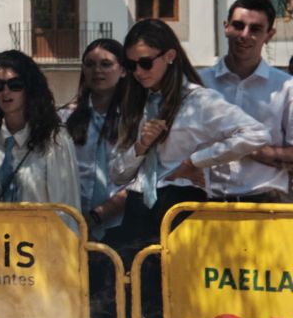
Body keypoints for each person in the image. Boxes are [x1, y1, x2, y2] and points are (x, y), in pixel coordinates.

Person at [108, 18, 266, 258]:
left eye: (145, 63)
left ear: (170, 55)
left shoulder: (199, 100)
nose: (138, 72)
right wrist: (140, 146)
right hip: (138, 203)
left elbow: (255, 134)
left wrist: (195, 161)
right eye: (131, 65)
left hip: (179, 203)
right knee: (132, 286)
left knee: (171, 286)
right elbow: (117, 173)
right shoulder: (134, 101)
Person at [205, 0, 293, 203]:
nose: (244, 35)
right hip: (205, 204)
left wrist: (252, 149)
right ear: (226, 27)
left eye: (255, 29)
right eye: (238, 25)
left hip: (267, 204)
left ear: (269, 35)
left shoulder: (287, 88)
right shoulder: (199, 83)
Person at [0, 51, 79, 214]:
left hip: (42, 236)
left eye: (15, 85)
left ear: (29, 89)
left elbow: (67, 208)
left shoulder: (56, 140)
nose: (6, 92)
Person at [63, 38, 129, 239]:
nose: (97, 70)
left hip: (121, 226)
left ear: (123, 70)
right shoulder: (64, 120)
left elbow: (140, 181)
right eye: (90, 64)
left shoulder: (135, 120)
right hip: (72, 223)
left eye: (106, 64)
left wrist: (97, 216)